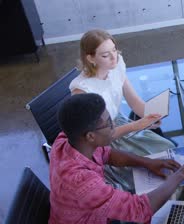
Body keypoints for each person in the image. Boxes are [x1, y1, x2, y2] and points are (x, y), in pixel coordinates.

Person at [48, 93, 184, 224]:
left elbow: (107, 154)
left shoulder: (66, 141)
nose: (113, 125)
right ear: (90, 136)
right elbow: (141, 209)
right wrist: (181, 174)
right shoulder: (80, 181)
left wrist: (147, 162)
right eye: (108, 124)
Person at [69, 29, 175, 191]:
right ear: (90, 58)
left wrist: (149, 114)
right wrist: (137, 125)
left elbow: (134, 101)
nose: (114, 58)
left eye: (114, 50)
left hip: (121, 124)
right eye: (105, 55)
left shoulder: (116, 67)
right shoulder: (82, 90)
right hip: (105, 139)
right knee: (141, 176)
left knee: (167, 147)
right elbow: (98, 138)